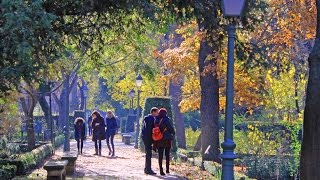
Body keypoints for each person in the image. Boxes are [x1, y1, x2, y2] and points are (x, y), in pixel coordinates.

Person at [154, 108, 175, 176]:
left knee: (160, 155)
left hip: (159, 139)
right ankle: (167, 169)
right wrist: (173, 132)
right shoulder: (166, 119)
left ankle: (161, 170)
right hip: (166, 139)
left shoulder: (156, 119)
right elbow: (170, 128)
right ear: (165, 113)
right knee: (167, 155)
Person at [141, 107, 159, 175]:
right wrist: (152, 140)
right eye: (157, 112)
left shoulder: (147, 118)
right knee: (149, 154)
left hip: (145, 138)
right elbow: (150, 130)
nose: (157, 114)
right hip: (148, 138)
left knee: (148, 153)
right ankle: (148, 169)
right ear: (153, 112)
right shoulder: (151, 119)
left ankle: (147, 168)